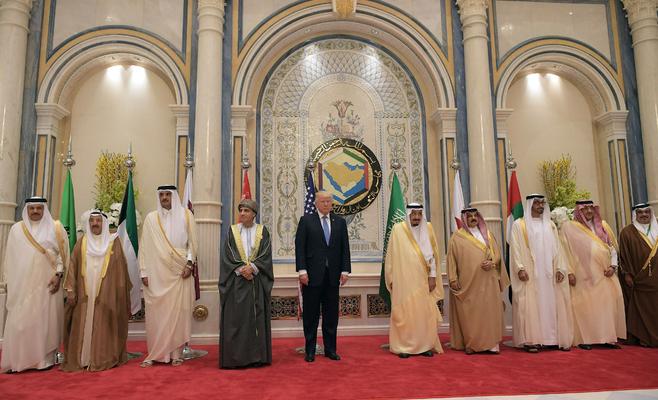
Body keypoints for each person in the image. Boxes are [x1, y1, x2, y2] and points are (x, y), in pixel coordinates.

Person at [1, 197, 69, 373]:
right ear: (27, 210)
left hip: (47, 283)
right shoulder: (17, 229)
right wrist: (8, 281)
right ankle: (17, 361)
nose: (35, 211)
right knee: (20, 322)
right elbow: (9, 258)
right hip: (22, 284)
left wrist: (58, 275)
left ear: (44, 209)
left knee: (44, 321)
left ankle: (43, 360)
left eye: (39, 208)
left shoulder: (55, 228)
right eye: (32, 208)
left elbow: (62, 255)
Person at [62, 210, 132, 371]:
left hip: (107, 293)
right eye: (92, 221)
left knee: (104, 322)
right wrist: (71, 289)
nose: (95, 224)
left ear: (104, 223)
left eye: (98, 221)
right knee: (83, 322)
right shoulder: (82, 242)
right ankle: (83, 358)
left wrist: (119, 293)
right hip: (84, 293)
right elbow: (73, 266)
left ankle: (102, 358)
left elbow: (121, 270)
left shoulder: (113, 242)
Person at [139, 185, 197, 367]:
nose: (164, 197)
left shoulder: (186, 215)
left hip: (180, 271)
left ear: (174, 196)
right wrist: (143, 271)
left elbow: (193, 243)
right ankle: (156, 354)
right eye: (161, 195)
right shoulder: (151, 218)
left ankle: (176, 354)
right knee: (157, 313)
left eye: (167, 194)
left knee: (178, 313)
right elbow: (144, 247)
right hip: (156, 271)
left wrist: (189, 264)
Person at [509, 194, 573, 352]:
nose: (540, 206)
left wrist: (560, 268)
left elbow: (558, 248)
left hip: (549, 274)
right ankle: (532, 341)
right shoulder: (519, 225)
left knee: (550, 304)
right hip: (530, 273)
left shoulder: (550, 225)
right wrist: (520, 268)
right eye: (536, 203)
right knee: (531, 305)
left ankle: (552, 338)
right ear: (529, 205)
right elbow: (515, 249)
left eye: (542, 203)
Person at [560, 200, 625, 349]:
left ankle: (608, 338)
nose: (589, 211)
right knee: (586, 307)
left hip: (604, 273)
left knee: (606, 306)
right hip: (582, 274)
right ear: (579, 211)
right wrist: (569, 272)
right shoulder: (569, 227)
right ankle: (586, 339)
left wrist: (613, 266)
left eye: (591, 208)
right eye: (585, 209)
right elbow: (564, 250)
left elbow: (612, 248)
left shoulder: (602, 226)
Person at [295, 190, 351, 362]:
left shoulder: (340, 222)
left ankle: (330, 350)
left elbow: (345, 248)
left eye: (329, 201)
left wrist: (345, 270)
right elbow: (300, 247)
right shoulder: (306, 221)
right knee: (310, 315)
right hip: (311, 276)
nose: (326, 204)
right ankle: (310, 350)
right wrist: (302, 270)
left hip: (333, 276)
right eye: (323, 201)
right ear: (316, 203)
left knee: (331, 315)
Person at [219, 199, 273, 368]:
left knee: (255, 320)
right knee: (237, 320)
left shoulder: (262, 231)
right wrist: (242, 269)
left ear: (254, 214)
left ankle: (257, 358)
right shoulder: (232, 231)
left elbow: (265, 253)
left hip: (256, 281)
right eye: (241, 210)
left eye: (246, 211)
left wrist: (253, 268)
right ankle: (236, 359)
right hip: (236, 282)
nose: (242, 213)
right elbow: (227, 254)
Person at [447, 208, 509, 354]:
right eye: (470, 216)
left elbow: (497, 254)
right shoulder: (457, 237)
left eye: (476, 215)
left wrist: (492, 262)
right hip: (468, 283)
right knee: (470, 314)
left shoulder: (488, 235)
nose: (473, 218)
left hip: (488, 281)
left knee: (489, 311)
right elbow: (451, 260)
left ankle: (492, 344)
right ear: (464, 219)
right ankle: (472, 344)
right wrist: (452, 278)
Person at [385, 203, 444, 358]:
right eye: (414, 214)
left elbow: (433, 256)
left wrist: (433, 276)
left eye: (419, 214)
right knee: (405, 313)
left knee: (423, 314)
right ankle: (403, 347)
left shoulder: (428, 228)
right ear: (408, 214)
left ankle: (424, 345)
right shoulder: (398, 229)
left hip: (423, 280)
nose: (416, 217)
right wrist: (391, 277)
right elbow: (391, 255)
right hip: (403, 280)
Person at [618, 203, 658, 347]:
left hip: (656, 278)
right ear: (635, 214)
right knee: (642, 310)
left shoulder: (657, 229)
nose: (644, 214)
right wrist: (627, 274)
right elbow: (624, 256)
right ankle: (644, 338)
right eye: (640, 212)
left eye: (647, 212)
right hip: (638, 279)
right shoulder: (627, 232)